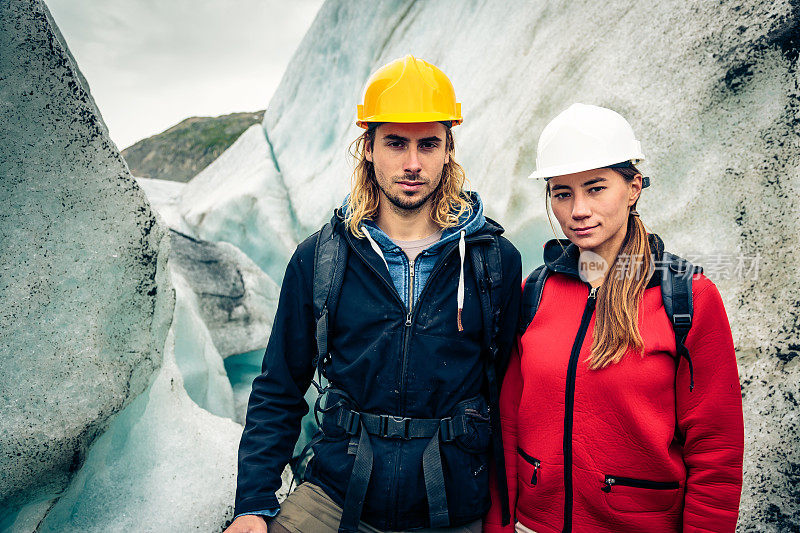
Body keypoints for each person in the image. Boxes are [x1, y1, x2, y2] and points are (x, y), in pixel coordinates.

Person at [225, 55, 522, 533]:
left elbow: (509, 391)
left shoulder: (493, 260)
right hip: (336, 494)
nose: (412, 163)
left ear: (449, 150)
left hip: (449, 504)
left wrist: (506, 513)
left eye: (429, 144)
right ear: (368, 147)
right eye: (395, 143)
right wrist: (252, 505)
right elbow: (279, 388)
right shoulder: (320, 258)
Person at [484, 103, 744, 533]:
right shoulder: (536, 293)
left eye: (596, 188)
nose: (578, 210)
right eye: (562, 192)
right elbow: (508, 422)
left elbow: (715, 452)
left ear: (634, 187)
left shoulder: (687, 297)